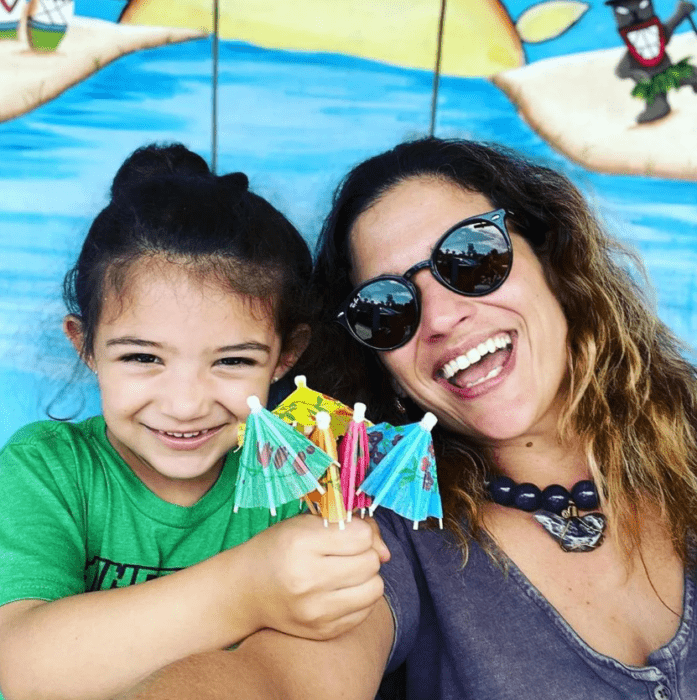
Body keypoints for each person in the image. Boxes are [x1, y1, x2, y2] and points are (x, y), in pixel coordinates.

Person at [117, 136, 697, 700]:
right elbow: (281, 678)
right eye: (387, 307)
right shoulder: (385, 525)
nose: (441, 319)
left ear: (551, 257)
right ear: (377, 359)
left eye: (473, 257)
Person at [0, 143, 388, 700]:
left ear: (286, 355)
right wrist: (250, 588)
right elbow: (26, 672)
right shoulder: (48, 469)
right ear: (84, 345)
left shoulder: (309, 481)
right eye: (142, 358)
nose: (185, 405)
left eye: (232, 361)